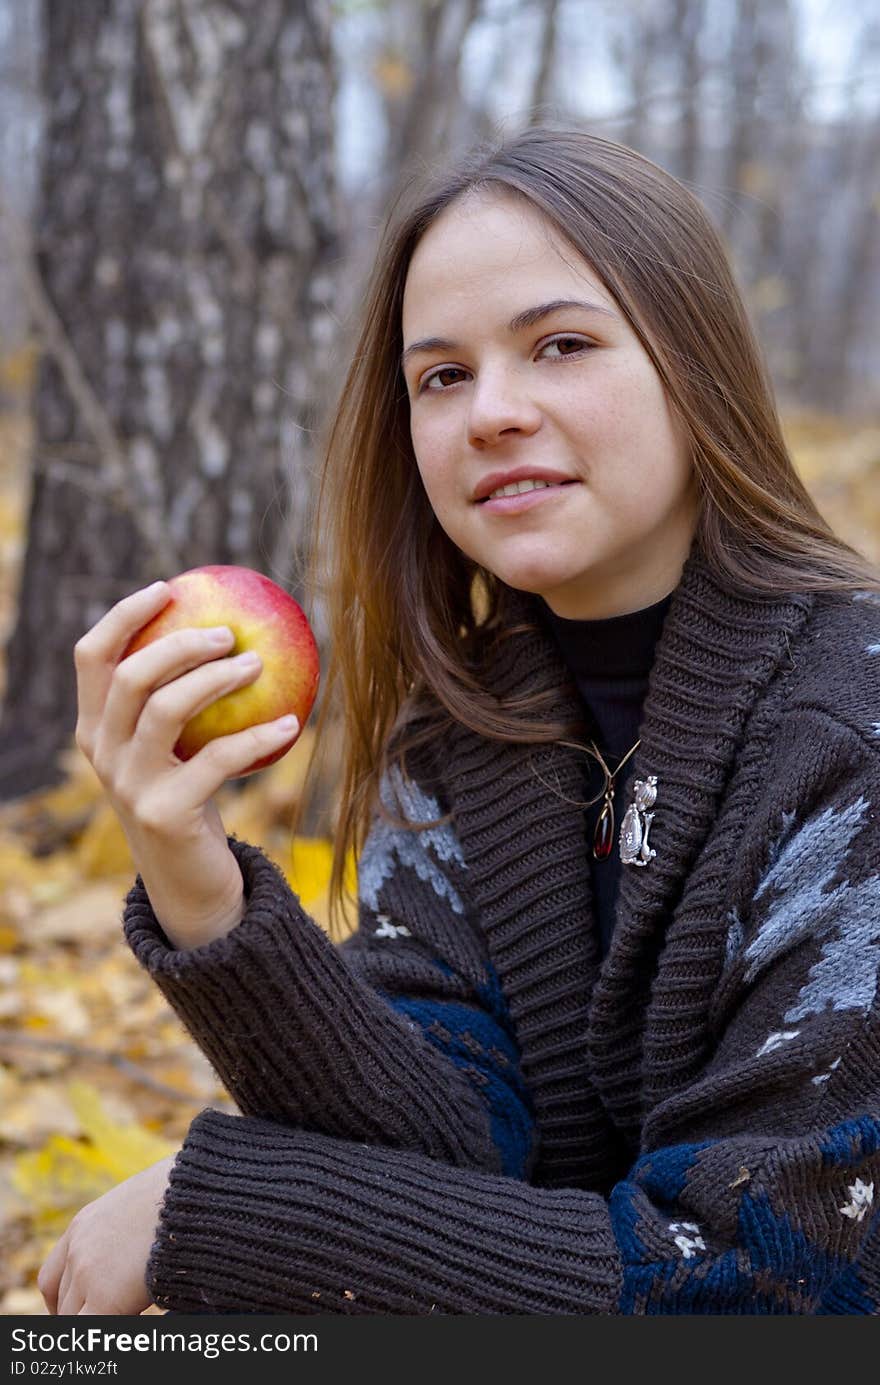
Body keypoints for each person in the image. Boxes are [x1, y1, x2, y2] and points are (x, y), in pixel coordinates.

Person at [41, 125, 880, 1316]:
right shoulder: (459, 730)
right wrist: (195, 882)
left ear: (696, 367)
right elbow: (448, 1141)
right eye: (440, 375)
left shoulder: (850, 734)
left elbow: (757, 1290)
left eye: (561, 345)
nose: (491, 411)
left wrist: (225, 1210)